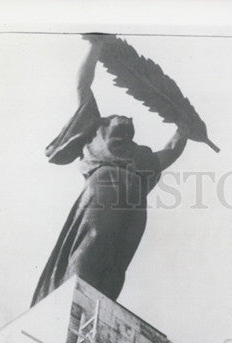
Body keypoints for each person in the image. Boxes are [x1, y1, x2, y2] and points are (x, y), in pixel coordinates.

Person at [32, 35, 192, 306]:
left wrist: (185, 127)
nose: (127, 118)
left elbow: (172, 150)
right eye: (121, 116)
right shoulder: (96, 130)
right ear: (108, 121)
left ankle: (101, 306)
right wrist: (96, 46)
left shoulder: (142, 155)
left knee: (118, 262)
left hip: (134, 205)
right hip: (103, 193)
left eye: (130, 121)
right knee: (93, 245)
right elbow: (84, 85)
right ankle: (76, 299)